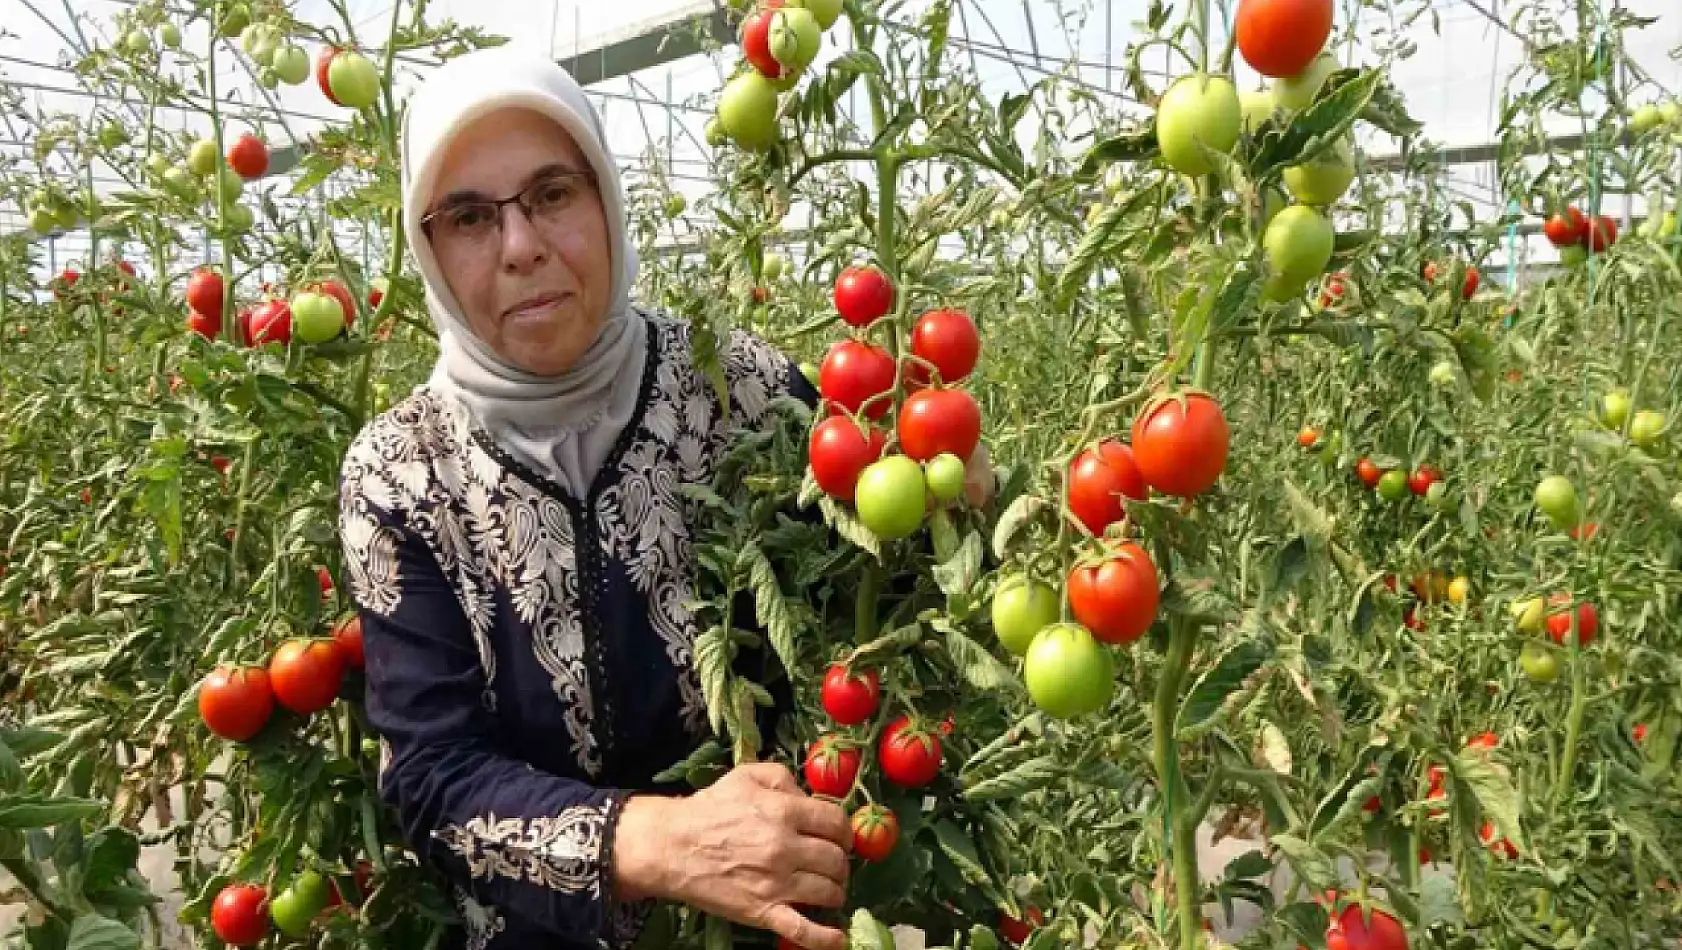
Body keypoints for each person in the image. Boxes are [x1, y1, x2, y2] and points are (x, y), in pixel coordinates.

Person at [337, 48, 851, 950]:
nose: (522, 245)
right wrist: (657, 842)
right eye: (467, 216)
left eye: (552, 194)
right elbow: (431, 776)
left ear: (606, 201)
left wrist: (950, 497)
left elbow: (872, 601)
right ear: (429, 249)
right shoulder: (401, 473)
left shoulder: (740, 388)